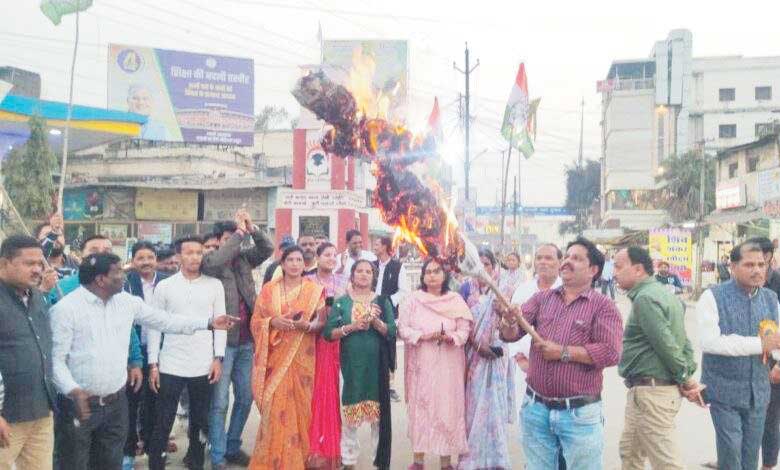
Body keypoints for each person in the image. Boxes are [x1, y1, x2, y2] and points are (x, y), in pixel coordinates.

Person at [49, 252, 236, 470]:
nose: (125, 276)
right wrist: (73, 390)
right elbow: (55, 362)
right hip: (78, 407)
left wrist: (208, 323)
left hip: (115, 405)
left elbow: (165, 320)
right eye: (118, 272)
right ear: (100, 280)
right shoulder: (66, 310)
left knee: (110, 463)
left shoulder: (126, 303)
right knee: (74, 464)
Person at [499, 237, 623, 470]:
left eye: (576, 258)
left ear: (593, 270)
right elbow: (511, 333)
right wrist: (507, 321)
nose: (566, 262)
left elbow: (611, 352)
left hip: (579, 415)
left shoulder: (604, 306)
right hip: (536, 410)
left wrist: (563, 353)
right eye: (566, 256)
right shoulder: (542, 298)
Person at [613, 246, 704, 470]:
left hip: (652, 395)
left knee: (666, 463)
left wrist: (685, 377)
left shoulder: (645, 298)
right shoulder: (663, 294)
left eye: (618, 266)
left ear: (637, 269)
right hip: (646, 393)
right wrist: (687, 372)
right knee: (630, 454)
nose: (613, 272)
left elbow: (667, 345)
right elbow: (683, 342)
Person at [697, 241, 780, 470]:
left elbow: (776, 341)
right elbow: (709, 342)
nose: (757, 270)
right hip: (724, 392)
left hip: (759, 393)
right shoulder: (712, 297)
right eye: (749, 264)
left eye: (761, 264)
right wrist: (759, 344)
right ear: (732, 267)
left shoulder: (771, 298)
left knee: (750, 457)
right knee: (731, 454)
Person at [146, 236, 227, 470]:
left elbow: (221, 325)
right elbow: (155, 326)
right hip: (171, 362)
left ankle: (195, 459)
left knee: (200, 419)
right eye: (189, 253)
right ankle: (156, 462)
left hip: (203, 363)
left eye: (198, 253)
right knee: (164, 418)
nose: (194, 257)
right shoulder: (165, 286)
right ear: (178, 256)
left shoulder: (214, 285)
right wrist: (153, 363)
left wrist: (218, 358)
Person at [202, 210, 273, 469]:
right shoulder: (212, 261)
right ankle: (218, 455)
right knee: (220, 402)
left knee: (246, 396)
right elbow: (215, 260)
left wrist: (252, 227)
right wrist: (239, 233)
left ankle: (232, 445)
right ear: (220, 240)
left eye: (237, 235)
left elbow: (268, 247)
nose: (236, 239)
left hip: (247, 340)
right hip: (223, 342)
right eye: (229, 236)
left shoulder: (244, 259)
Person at [249, 245, 327, 468]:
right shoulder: (268, 290)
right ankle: (272, 461)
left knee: (303, 407)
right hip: (275, 357)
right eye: (290, 260)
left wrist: (307, 326)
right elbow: (255, 322)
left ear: (304, 264)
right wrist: (272, 322)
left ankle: (299, 459)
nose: (294, 264)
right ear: (281, 264)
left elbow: (321, 322)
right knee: (274, 409)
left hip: (303, 356)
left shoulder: (314, 290)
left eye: (299, 260)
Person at [398, 258, 473, 469]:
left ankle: (446, 461)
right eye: (428, 271)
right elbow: (403, 329)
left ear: (444, 275)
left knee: (447, 409)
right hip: (421, 363)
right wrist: (423, 335)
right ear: (422, 276)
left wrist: (451, 337)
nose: (432, 275)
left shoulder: (456, 300)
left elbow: (464, 331)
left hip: (449, 366)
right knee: (420, 408)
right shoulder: (413, 300)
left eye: (436, 271)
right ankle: (418, 460)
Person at [324, 260, 396, 469]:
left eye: (368, 271)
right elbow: (328, 333)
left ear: (374, 277)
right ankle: (349, 460)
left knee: (378, 419)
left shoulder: (382, 302)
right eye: (359, 271)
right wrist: (352, 327)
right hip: (351, 367)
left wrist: (376, 322)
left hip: (377, 367)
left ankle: (379, 460)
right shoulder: (342, 303)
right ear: (352, 275)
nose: (364, 275)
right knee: (349, 415)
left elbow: (391, 331)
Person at [0, 236, 57, 470]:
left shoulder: (35, 296)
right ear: (3, 264)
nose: (37, 270)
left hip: (41, 410)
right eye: (29, 263)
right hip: (7, 416)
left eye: (40, 264)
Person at [458, 249, 516, 470]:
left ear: (493, 267)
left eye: (487, 264)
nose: (482, 269)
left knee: (494, 406)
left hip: (497, 354)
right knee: (472, 406)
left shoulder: (503, 289)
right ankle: (472, 458)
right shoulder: (465, 289)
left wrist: (502, 311)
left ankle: (496, 458)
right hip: (473, 355)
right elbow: (461, 320)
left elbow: (511, 323)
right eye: (478, 264)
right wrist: (477, 345)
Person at [122, 241, 170, 469]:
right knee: (131, 401)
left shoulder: (166, 282)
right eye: (140, 258)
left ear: (156, 260)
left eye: (150, 257)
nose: (146, 262)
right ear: (133, 262)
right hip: (132, 351)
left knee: (155, 400)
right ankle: (129, 451)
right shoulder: (124, 283)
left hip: (161, 350)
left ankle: (153, 448)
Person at [307, 242, 348, 468]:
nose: (331, 259)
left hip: (337, 341)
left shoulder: (342, 282)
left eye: (334, 255)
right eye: (327, 255)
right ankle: (313, 447)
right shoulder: (308, 281)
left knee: (332, 393)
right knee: (315, 393)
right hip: (313, 342)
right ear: (318, 257)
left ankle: (332, 446)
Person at [508, 244, 563, 409]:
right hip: (526, 368)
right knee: (527, 417)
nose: (542, 262)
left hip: (559, 369)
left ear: (560, 262)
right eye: (539, 258)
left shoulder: (567, 290)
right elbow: (512, 326)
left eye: (548, 258)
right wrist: (519, 358)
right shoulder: (523, 290)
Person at [750, 237, 780, 470]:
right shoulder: (743, 281)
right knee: (747, 416)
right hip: (749, 359)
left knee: (770, 419)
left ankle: (768, 465)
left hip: (773, 361)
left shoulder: (776, 284)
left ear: (767, 258)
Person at [372, 236, 410, 403]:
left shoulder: (397, 267)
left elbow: (404, 291)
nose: (374, 246)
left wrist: (388, 303)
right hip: (371, 312)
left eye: (377, 243)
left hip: (389, 314)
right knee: (372, 347)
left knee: (389, 349)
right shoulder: (372, 266)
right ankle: (373, 385)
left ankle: (390, 386)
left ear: (386, 246)